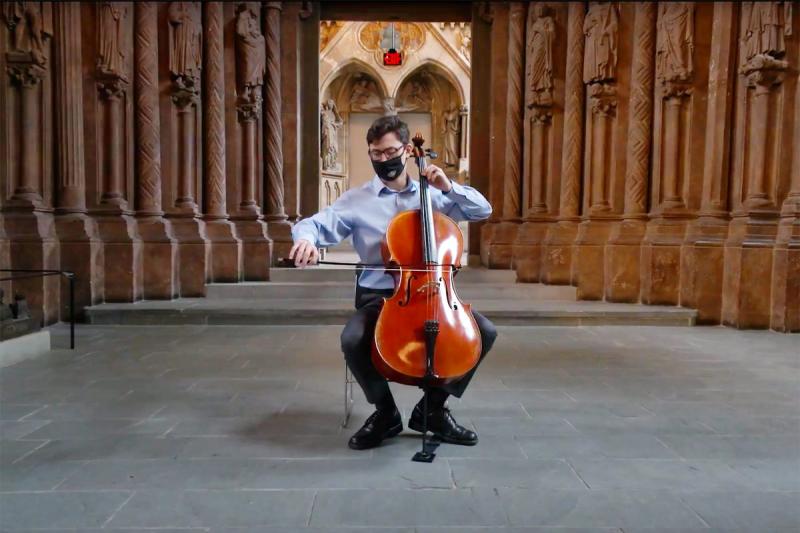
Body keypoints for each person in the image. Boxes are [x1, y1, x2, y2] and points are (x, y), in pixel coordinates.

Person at [289, 115, 497, 451]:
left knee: (484, 332)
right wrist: (307, 240)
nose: (383, 160)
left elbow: (483, 210)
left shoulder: (435, 194)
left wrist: (449, 186)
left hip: (435, 293)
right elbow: (315, 224)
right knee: (353, 338)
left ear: (406, 150)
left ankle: (433, 410)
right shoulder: (357, 200)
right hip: (380, 297)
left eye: (390, 152)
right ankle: (386, 414)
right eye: (376, 154)